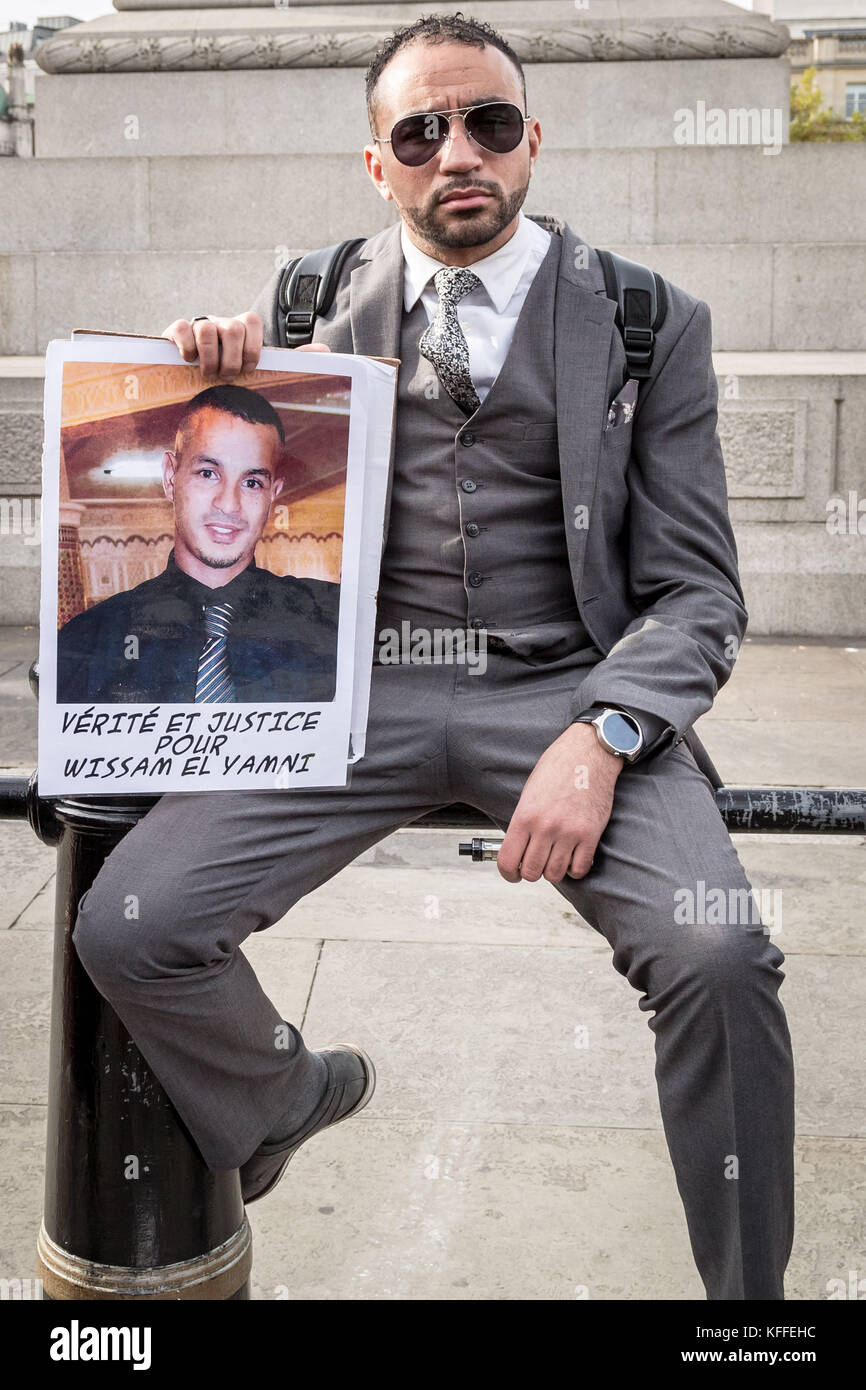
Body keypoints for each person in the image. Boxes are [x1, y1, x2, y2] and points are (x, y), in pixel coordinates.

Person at [70, 12, 794, 1299]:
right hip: (351, 696)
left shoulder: (644, 320)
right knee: (130, 921)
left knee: (721, 953)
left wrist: (607, 732)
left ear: (530, 142)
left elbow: (696, 591)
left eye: (487, 123)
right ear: (376, 162)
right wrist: (202, 371)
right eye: (419, 130)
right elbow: (211, 464)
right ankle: (286, 1093)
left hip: (566, 687)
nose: (456, 150)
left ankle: (748, 1323)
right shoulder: (305, 299)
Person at [57, 384, 340, 703]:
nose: (229, 504)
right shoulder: (88, 641)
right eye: (208, 473)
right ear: (170, 477)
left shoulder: (331, 620)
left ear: (272, 494)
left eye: (251, 483)